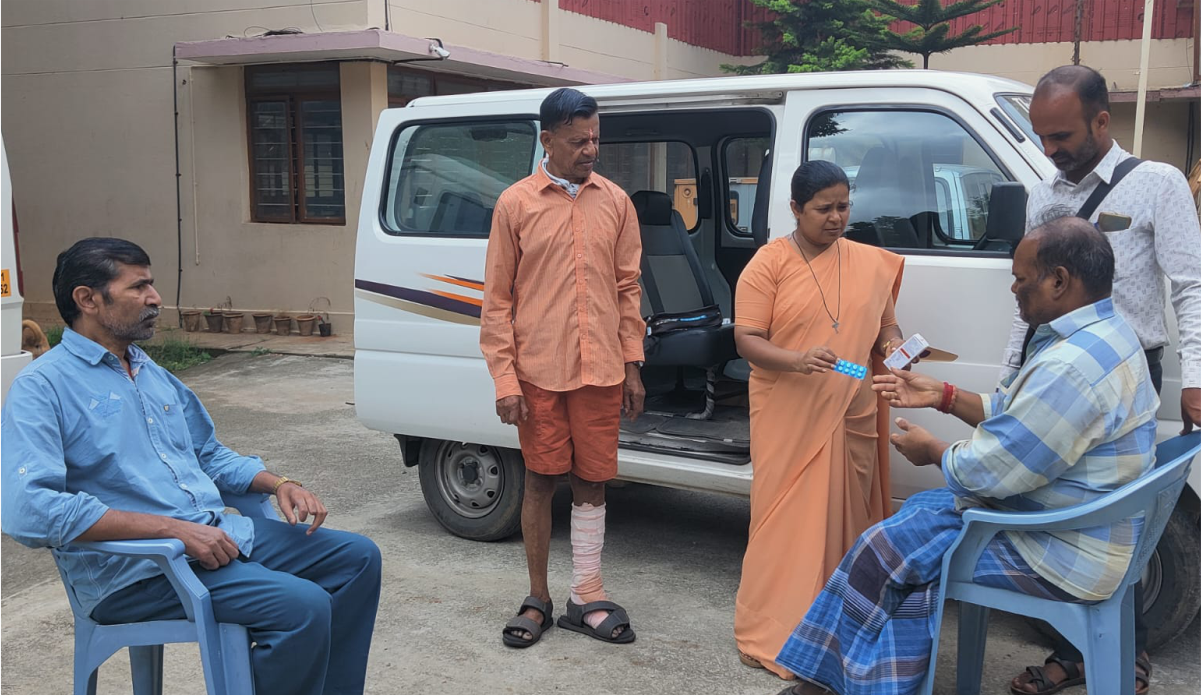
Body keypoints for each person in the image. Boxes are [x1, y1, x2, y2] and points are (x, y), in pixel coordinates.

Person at [771, 216, 1159, 696]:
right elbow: (1023, 419)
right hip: (1078, 525)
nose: (1013, 289)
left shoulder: (1071, 366)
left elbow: (989, 472)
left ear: (1059, 281)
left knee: (886, 553)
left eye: (1021, 278)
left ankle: (830, 685)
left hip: (1058, 548)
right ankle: (845, 683)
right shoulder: (1107, 334)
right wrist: (944, 395)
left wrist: (931, 450)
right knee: (904, 532)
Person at [0, 238, 382, 696]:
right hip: (137, 572)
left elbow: (207, 455)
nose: (156, 298)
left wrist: (277, 483)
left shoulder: (149, 372)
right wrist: (172, 531)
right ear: (87, 299)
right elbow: (28, 511)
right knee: (303, 606)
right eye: (139, 286)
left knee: (358, 559)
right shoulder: (43, 388)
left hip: (212, 537)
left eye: (152, 284)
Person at [999, 64, 1201, 695]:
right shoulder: (1043, 193)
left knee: (1118, 526)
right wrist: (1011, 374)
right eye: (1041, 137)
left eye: (1061, 137)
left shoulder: (1158, 184)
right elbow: (1026, 300)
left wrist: (1197, 377)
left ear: (1102, 121)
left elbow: (1191, 287)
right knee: (1052, 519)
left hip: (1127, 373)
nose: (1049, 151)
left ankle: (1125, 660)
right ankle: (1073, 654)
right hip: (1052, 372)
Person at [733, 160, 912, 679]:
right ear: (795, 209)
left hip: (851, 400)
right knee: (783, 521)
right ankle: (778, 627)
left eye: (844, 207)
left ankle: (840, 626)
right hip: (788, 403)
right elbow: (747, 341)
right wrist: (795, 360)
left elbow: (885, 323)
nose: (837, 218)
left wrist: (893, 345)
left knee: (847, 518)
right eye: (824, 209)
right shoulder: (768, 264)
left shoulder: (869, 261)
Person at [480, 87, 644, 648]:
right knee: (540, 480)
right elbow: (497, 300)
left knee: (593, 481)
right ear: (547, 140)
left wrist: (634, 364)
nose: (590, 149)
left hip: (602, 371)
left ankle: (586, 595)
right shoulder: (515, 204)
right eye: (578, 141)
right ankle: (538, 599)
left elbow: (627, 289)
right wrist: (505, 380)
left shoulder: (617, 202)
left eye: (595, 138)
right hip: (537, 372)